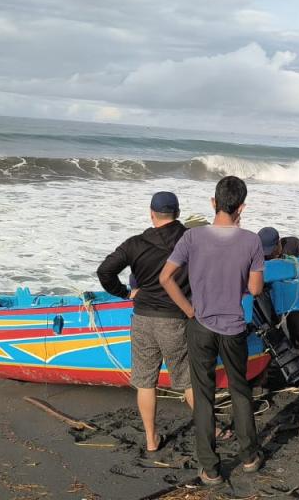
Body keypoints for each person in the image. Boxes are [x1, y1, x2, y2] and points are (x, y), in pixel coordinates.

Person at [160, 176, 265, 484]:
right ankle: (249, 457)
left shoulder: (192, 238)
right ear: (242, 207)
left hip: (201, 324)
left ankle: (210, 467)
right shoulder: (251, 240)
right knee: (239, 390)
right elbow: (256, 289)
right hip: (233, 327)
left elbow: (166, 278)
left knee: (203, 395)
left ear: (212, 202)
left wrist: (189, 309)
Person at [96, 191, 193, 454]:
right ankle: (213, 429)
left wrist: (126, 293)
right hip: (175, 319)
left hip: (143, 319)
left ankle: (151, 440)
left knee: (145, 382)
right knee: (187, 381)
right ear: (178, 213)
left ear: (151, 213)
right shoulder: (191, 240)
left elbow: (104, 271)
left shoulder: (135, 244)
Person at [257, 226, 299, 348]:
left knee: (298, 327)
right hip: (271, 294)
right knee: (273, 325)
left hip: (293, 292)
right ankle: (277, 352)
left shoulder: (292, 243)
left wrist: (292, 265)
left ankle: (297, 346)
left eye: (272, 250)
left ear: (279, 242)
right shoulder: (257, 252)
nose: (269, 254)